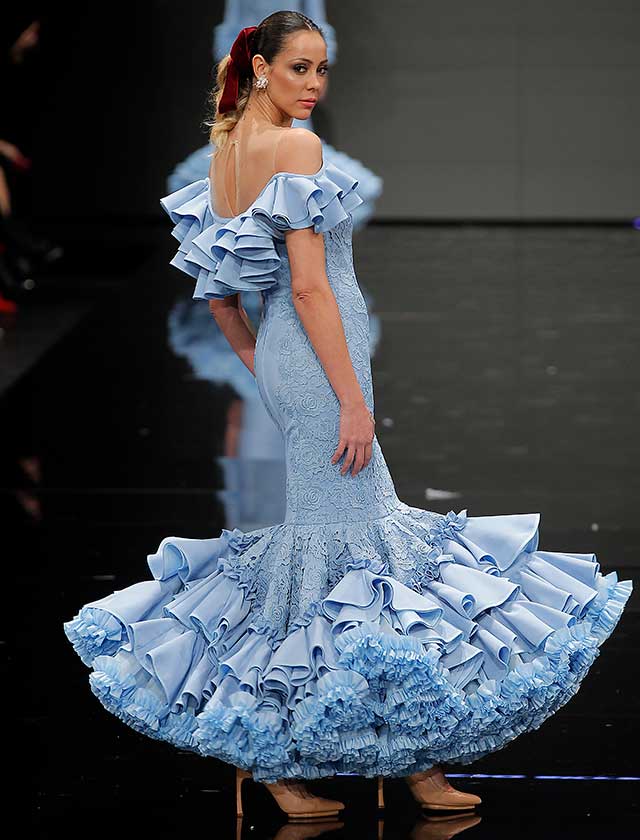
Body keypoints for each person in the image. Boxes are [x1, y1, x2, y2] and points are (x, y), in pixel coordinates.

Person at [63, 11, 634, 822]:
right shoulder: (296, 149)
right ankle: (298, 756)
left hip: (293, 363)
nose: (314, 84)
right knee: (353, 552)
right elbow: (306, 287)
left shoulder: (225, 155)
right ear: (260, 68)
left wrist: (270, 372)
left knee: (351, 553)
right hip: (322, 363)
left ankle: (390, 756)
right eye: (299, 67)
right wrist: (350, 400)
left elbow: (222, 300)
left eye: (322, 69)